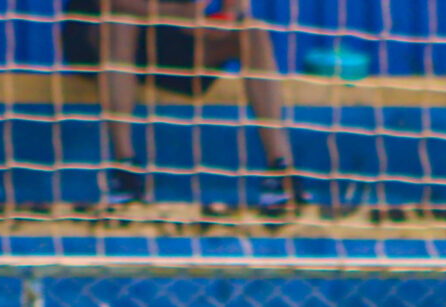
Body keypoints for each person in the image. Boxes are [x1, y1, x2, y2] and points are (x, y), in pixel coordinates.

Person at [59, 0, 307, 211]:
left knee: (253, 32)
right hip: (100, 37)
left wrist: (226, 19)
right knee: (121, 23)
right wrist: (180, 15)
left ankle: (280, 170)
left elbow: (235, 7)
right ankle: (125, 169)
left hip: (171, 37)